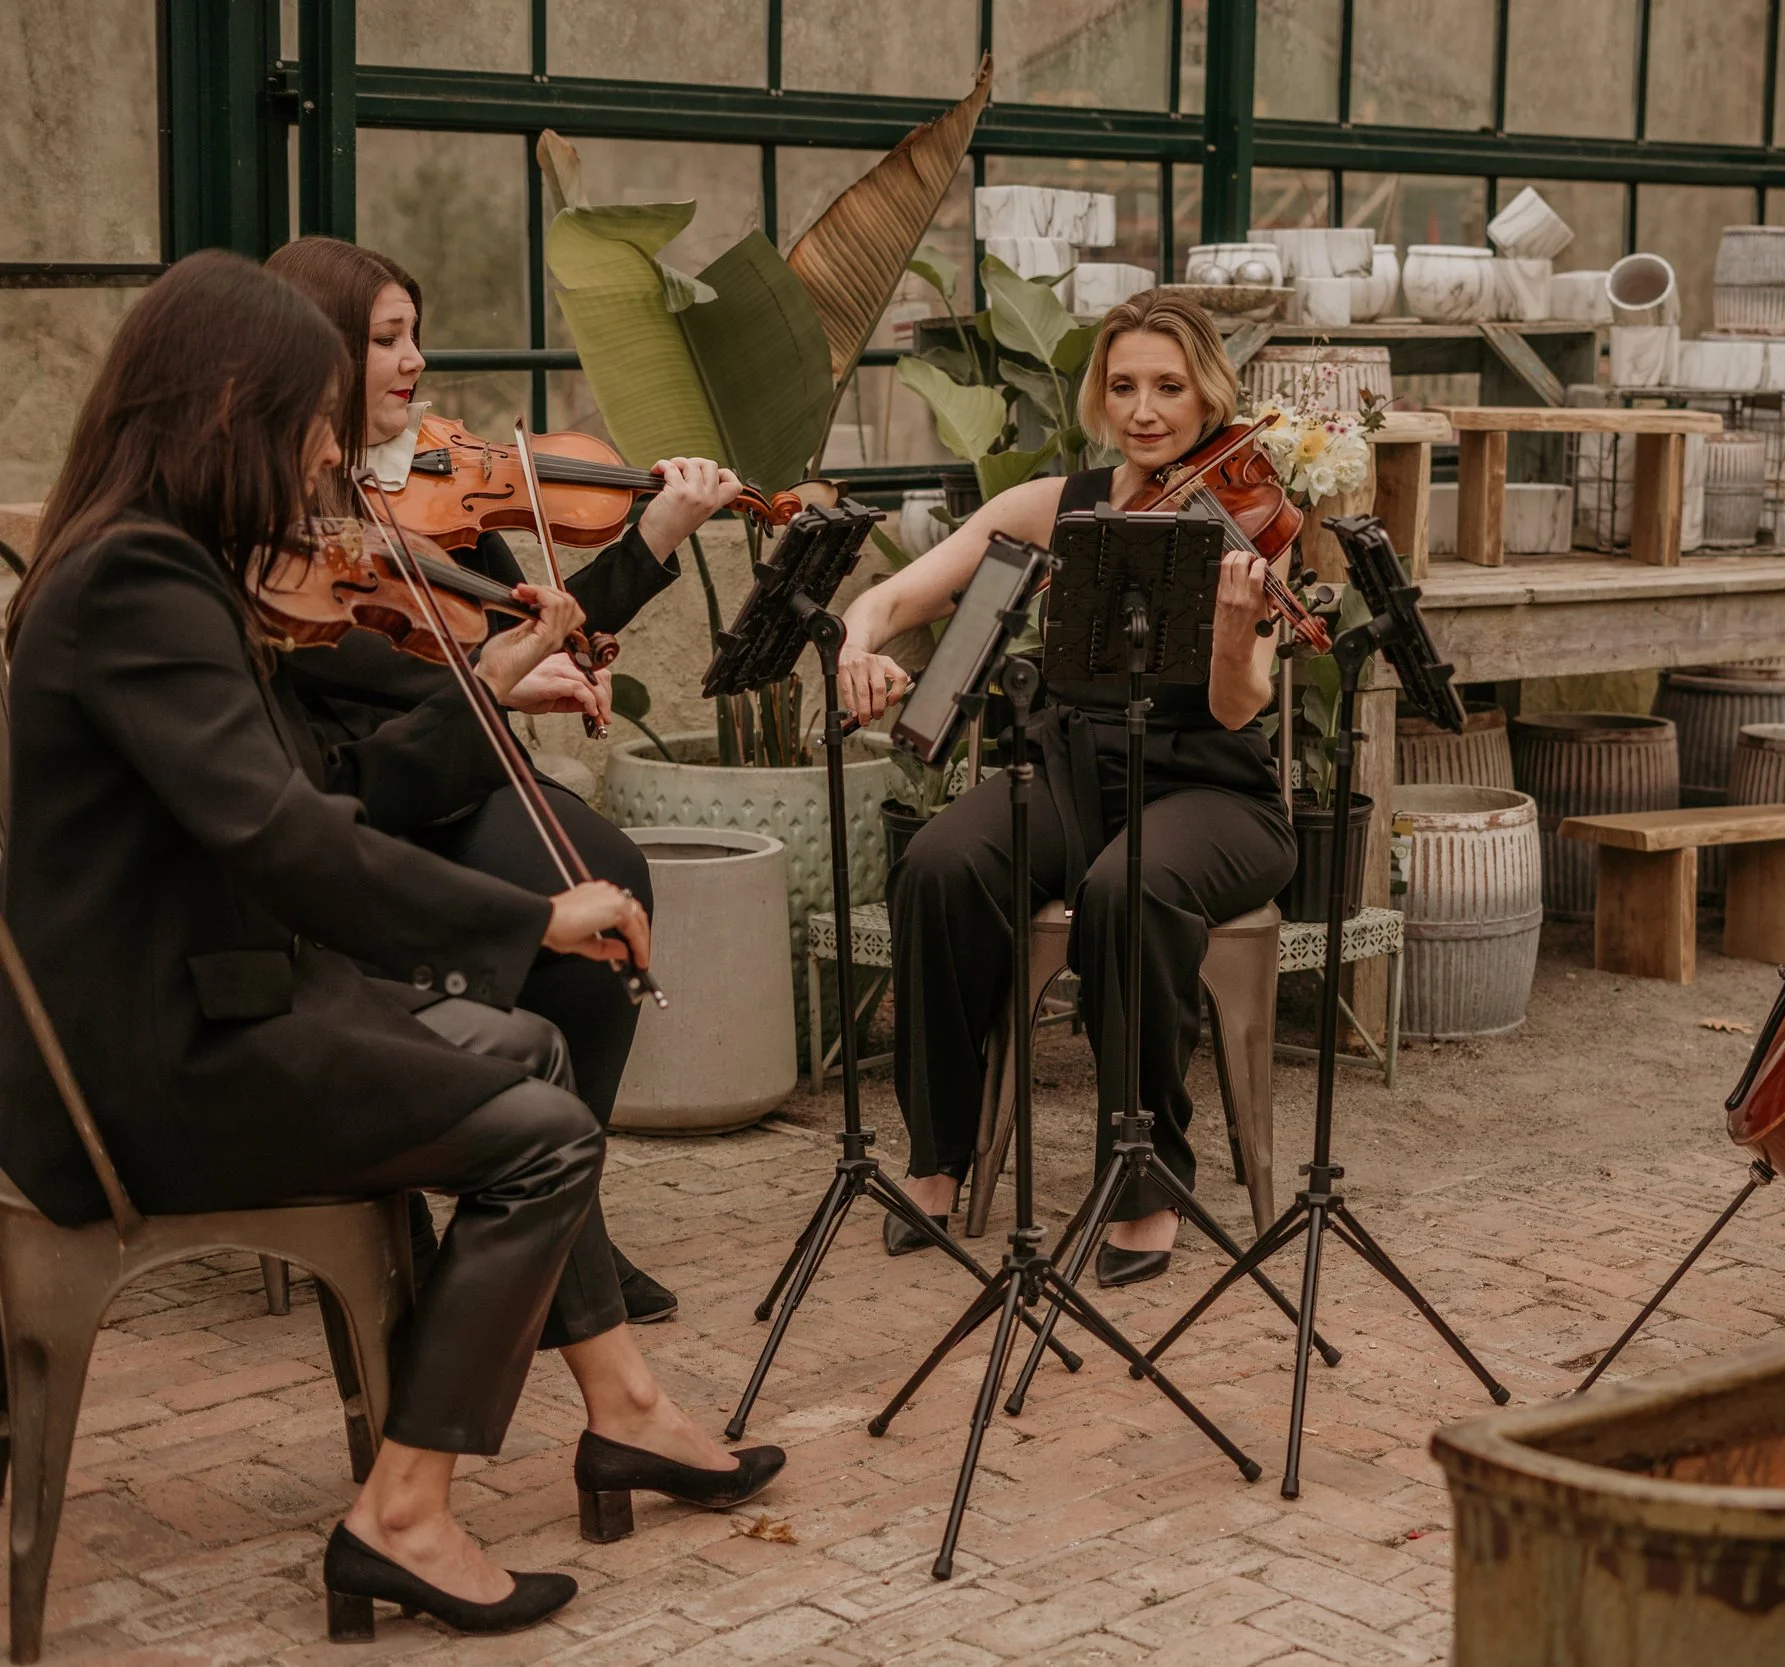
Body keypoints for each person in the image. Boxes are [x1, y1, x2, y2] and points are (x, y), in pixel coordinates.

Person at [0, 252, 780, 1640]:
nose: (325, 454)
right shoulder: (139, 587)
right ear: (230, 407)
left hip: (208, 1002)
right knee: (544, 1129)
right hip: (157, 1061)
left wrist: (479, 679)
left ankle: (611, 1410)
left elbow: (330, 796)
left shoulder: (162, 566)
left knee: (534, 1044)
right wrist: (530, 912)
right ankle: (407, 1510)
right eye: (309, 418)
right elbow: (294, 844)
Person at [265, 235, 745, 1323]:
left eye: (415, 336)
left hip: (460, 769)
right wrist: (490, 681)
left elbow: (546, 628)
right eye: (388, 339)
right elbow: (378, 670)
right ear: (319, 349)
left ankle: (556, 1207)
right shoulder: (279, 522)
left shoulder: (435, 483)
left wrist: (657, 536)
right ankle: (527, 1216)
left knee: (611, 882)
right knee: (568, 899)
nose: (414, 362)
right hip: (365, 798)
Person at [839, 292, 1296, 1288]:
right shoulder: (1058, 504)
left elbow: (1235, 707)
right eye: (1124, 384)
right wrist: (856, 640)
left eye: (1168, 387)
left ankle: (1142, 1180)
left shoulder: (1244, 516)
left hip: (1212, 788)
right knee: (940, 865)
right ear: (1099, 394)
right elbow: (905, 591)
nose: (1145, 408)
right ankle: (937, 1155)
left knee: (1129, 888)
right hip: (1075, 768)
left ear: (1207, 391)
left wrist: (1229, 630)